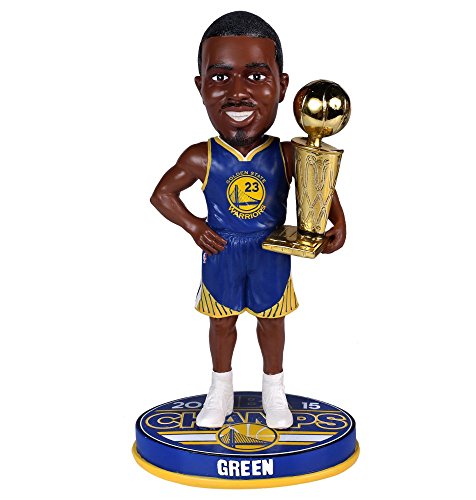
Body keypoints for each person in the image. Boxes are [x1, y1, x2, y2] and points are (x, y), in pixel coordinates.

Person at [150, 11, 346, 429]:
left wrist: (338, 223)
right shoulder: (201, 155)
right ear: (201, 87)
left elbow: (319, 186)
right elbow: (162, 195)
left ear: (282, 87)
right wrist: (195, 226)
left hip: (271, 248)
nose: (238, 92)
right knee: (221, 323)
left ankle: (274, 389)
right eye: (221, 77)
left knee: (272, 322)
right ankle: (220, 389)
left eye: (256, 77)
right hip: (222, 248)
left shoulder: (286, 153)